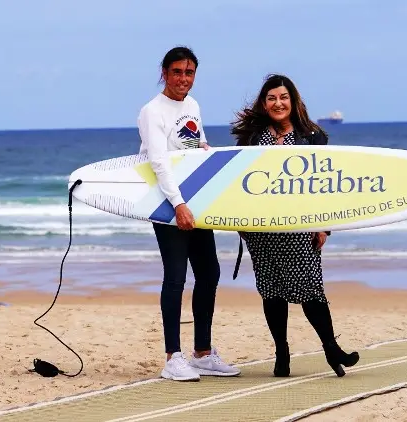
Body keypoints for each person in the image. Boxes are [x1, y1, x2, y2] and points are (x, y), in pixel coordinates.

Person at [231, 73, 360, 378]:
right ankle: (282, 353)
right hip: (261, 229)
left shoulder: (312, 136)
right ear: (264, 103)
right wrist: (235, 219)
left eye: (284, 97)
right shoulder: (251, 138)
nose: (278, 103)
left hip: (298, 227)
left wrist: (324, 226)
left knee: (311, 290)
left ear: (293, 101)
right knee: (272, 290)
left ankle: (331, 349)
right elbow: (236, 183)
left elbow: (324, 186)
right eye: (272, 98)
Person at [138, 46, 239, 381]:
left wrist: (214, 156)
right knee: (176, 277)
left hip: (194, 200)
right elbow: (158, 161)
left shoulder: (192, 105)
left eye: (189, 72)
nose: (183, 78)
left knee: (209, 274)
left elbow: (195, 146)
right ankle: (172, 357)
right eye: (177, 72)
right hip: (167, 204)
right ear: (164, 73)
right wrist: (178, 204)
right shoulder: (152, 111)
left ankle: (202, 353)